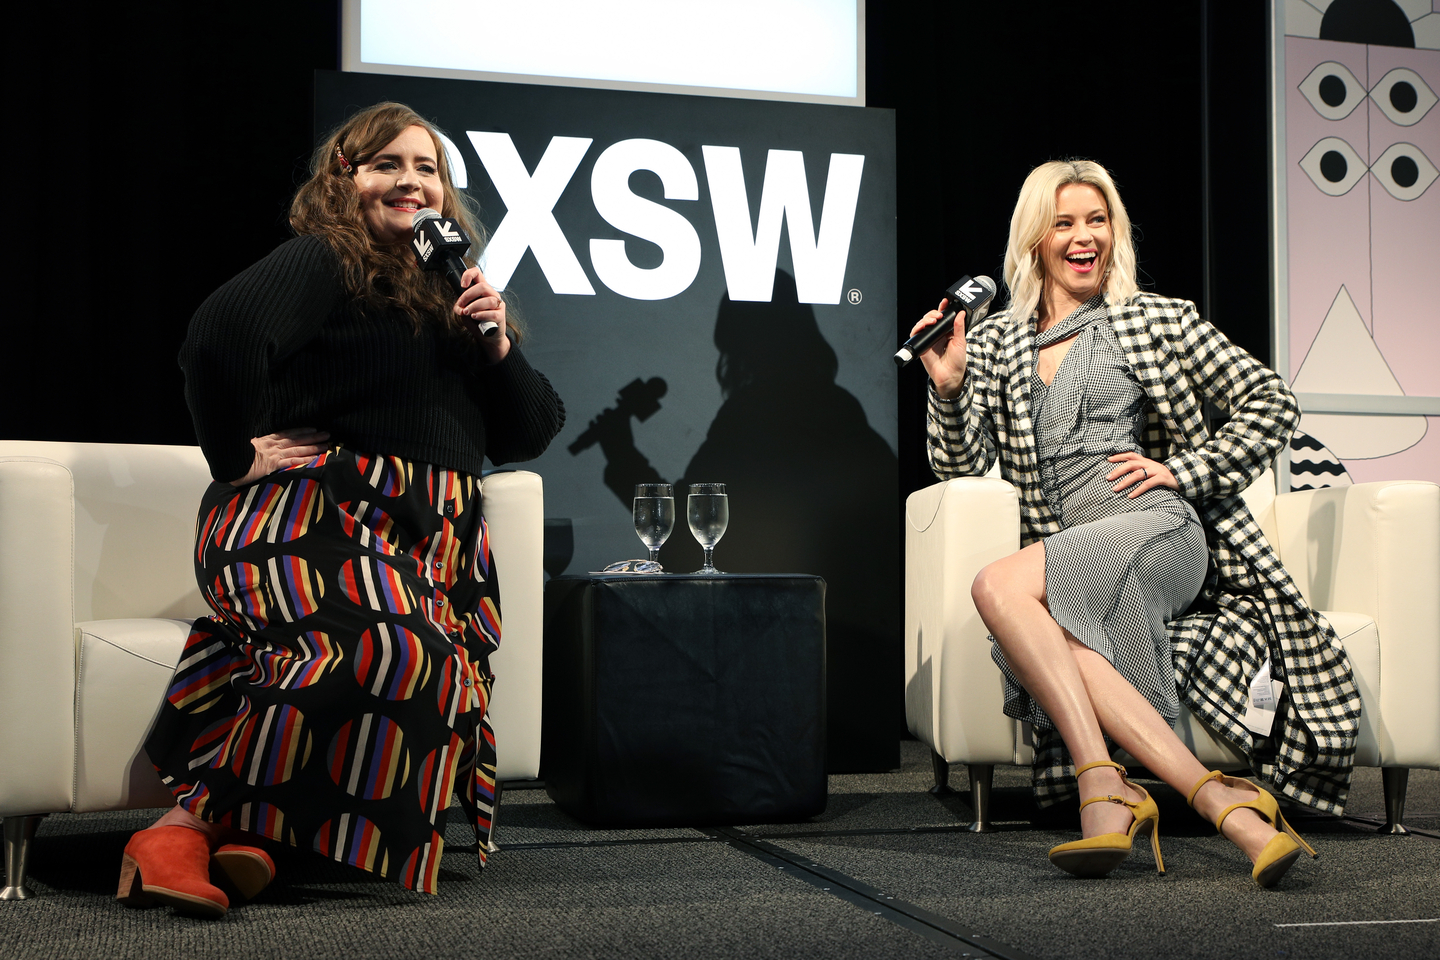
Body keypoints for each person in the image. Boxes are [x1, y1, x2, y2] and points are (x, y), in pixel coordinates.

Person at [121, 102, 565, 917]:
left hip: (426, 541)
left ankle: (257, 836)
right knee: (397, 644)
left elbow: (532, 430)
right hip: (308, 518)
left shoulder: (451, 295)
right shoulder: (329, 260)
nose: (409, 181)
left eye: (426, 169)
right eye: (385, 164)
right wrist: (233, 456)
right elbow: (220, 336)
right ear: (344, 179)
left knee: (424, 660)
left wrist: (496, 341)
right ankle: (180, 829)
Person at [911, 159, 1360, 886]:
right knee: (1054, 627)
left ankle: (1102, 785)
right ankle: (1228, 810)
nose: (1084, 237)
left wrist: (1185, 472)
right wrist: (951, 386)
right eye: (1064, 223)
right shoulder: (993, 342)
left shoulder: (1156, 319)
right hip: (1072, 546)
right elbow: (957, 467)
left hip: (1156, 527)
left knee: (997, 587)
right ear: (1034, 240)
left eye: (1098, 220)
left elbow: (1272, 402)